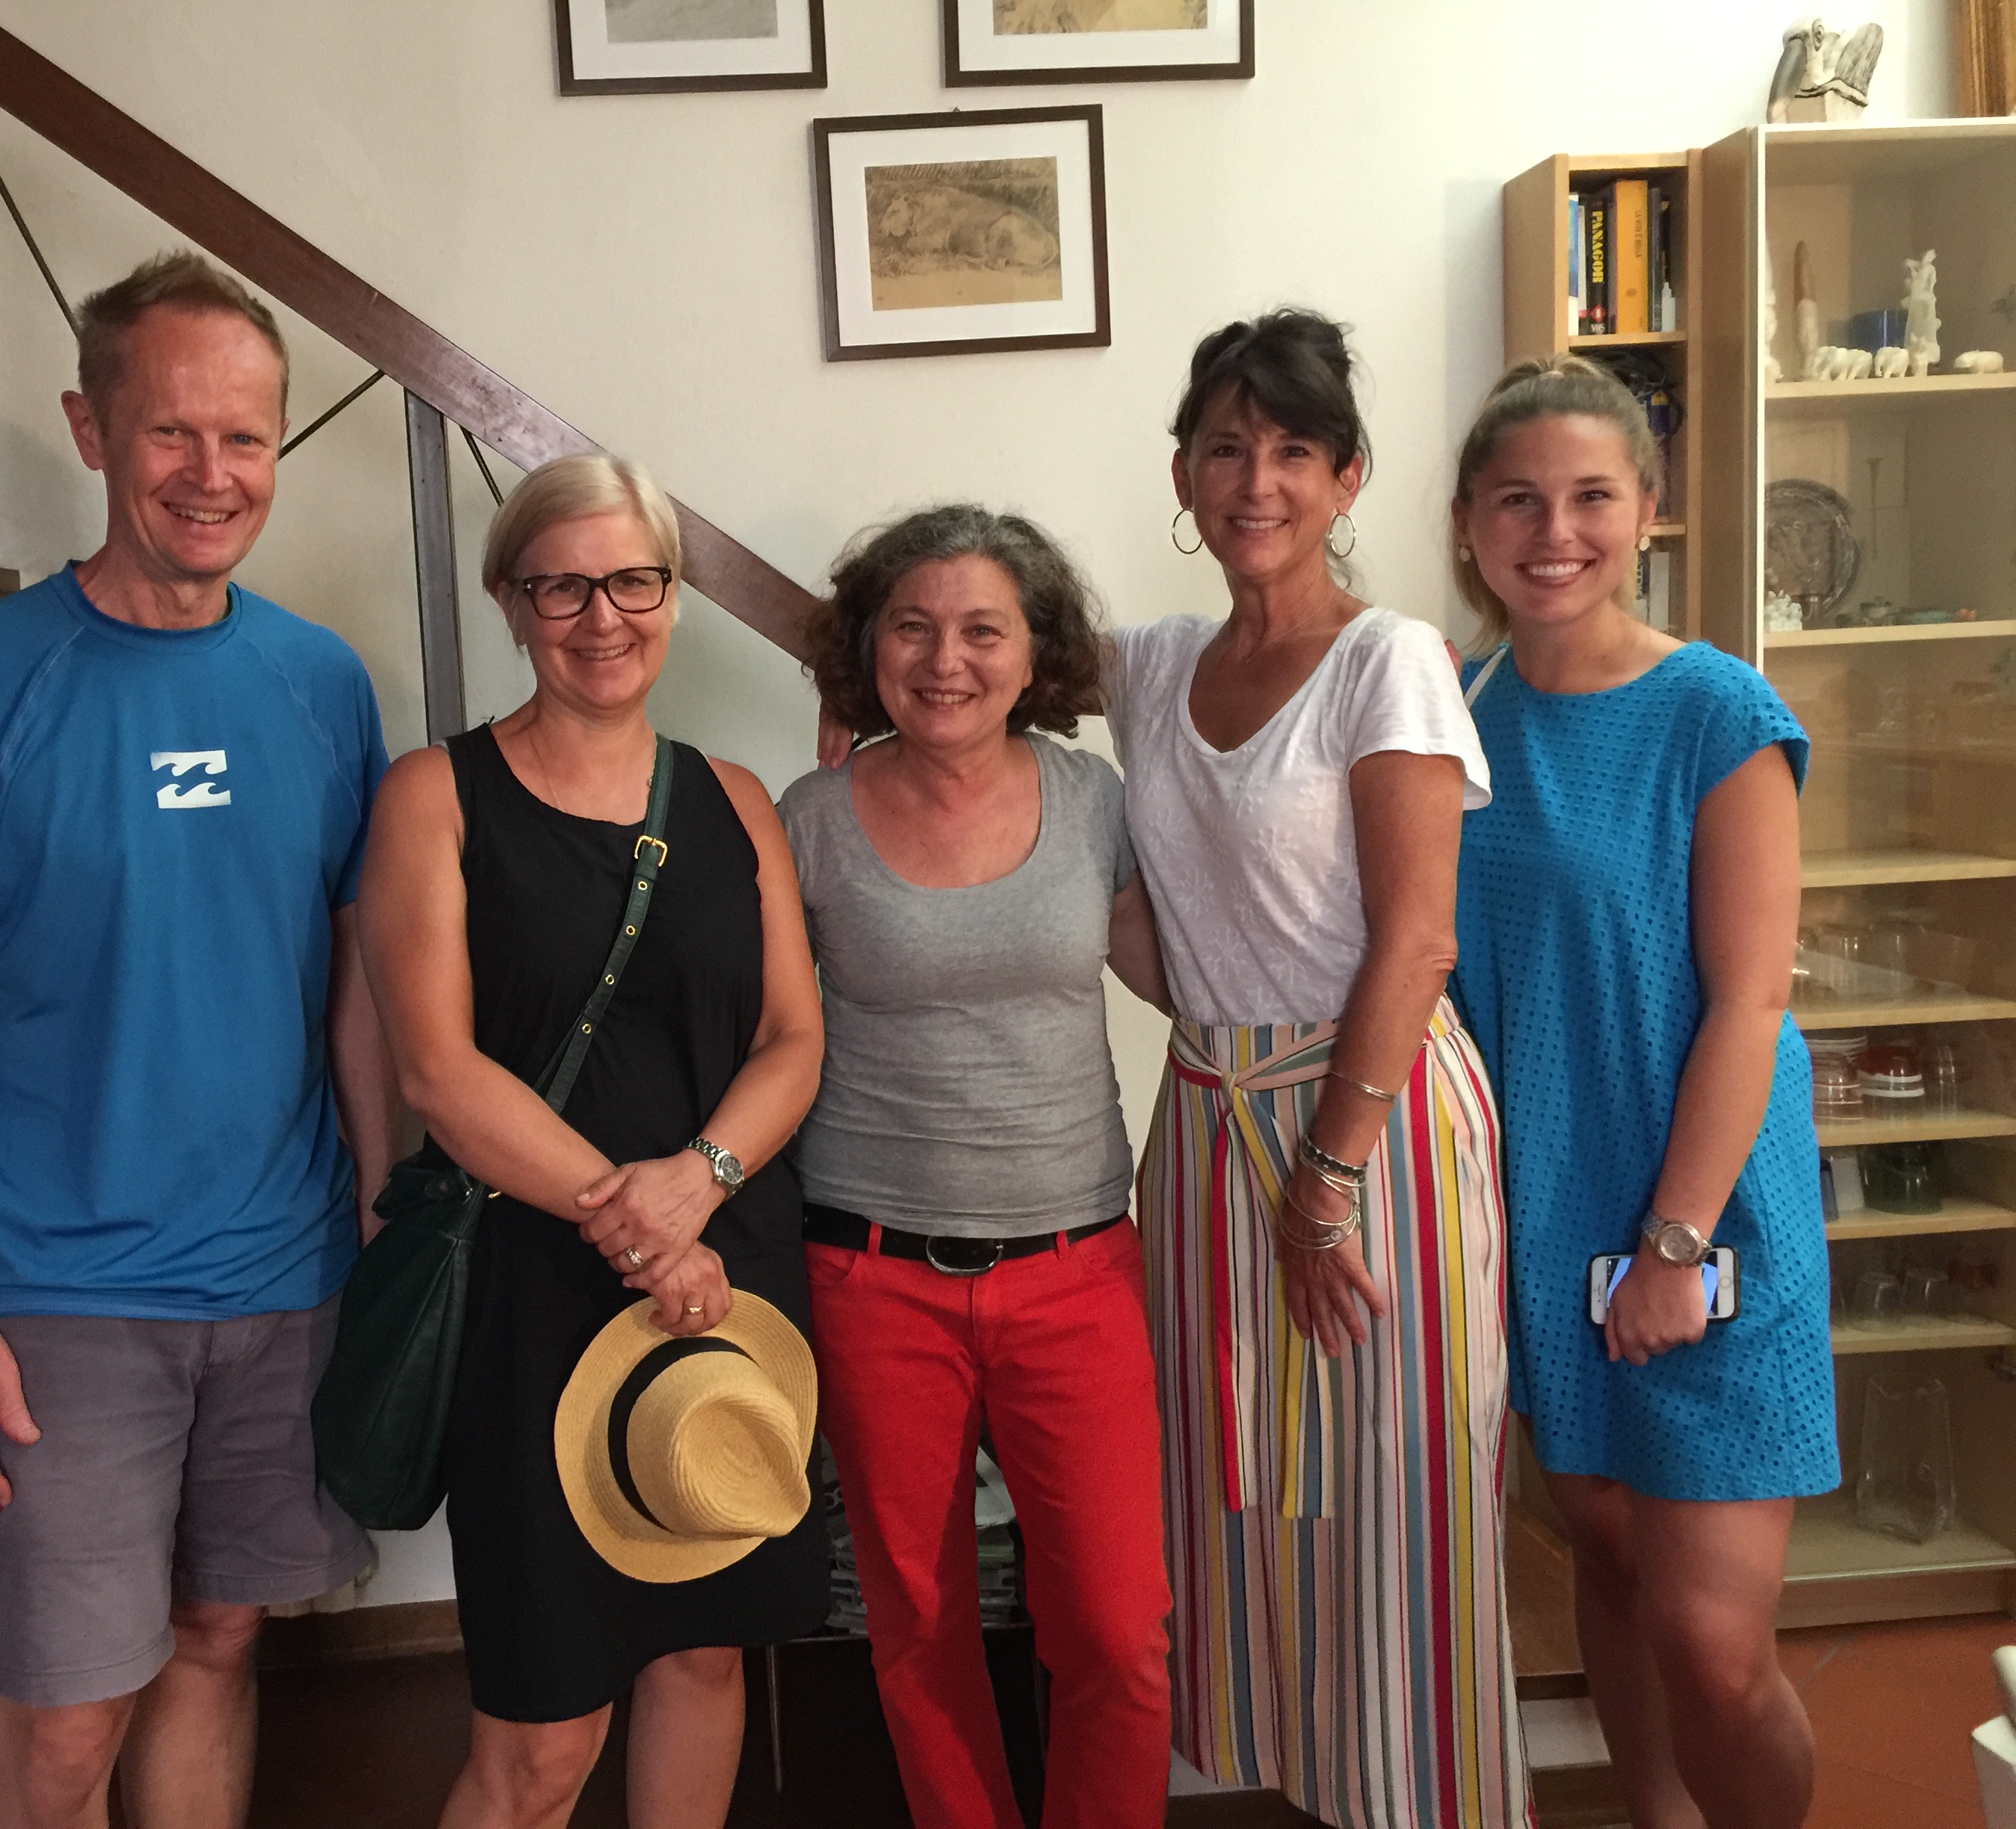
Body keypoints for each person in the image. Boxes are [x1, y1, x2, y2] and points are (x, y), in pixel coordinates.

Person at [0, 250, 391, 1829]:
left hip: (283, 1279)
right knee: (63, 1728)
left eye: (246, 438)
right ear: (92, 431)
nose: (212, 474)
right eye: (172, 432)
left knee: (219, 1641)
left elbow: (351, 985)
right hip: (55, 1300)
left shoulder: (321, 682)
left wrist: (376, 1221)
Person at [360, 454, 829, 1829]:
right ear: (512, 603)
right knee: (541, 1737)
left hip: (729, 1280)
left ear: (672, 596)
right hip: (537, 1293)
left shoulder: (737, 800)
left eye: (633, 580)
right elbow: (438, 1071)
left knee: (703, 1658)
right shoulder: (434, 797)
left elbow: (792, 1039)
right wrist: (640, 1227)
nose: (602, 616)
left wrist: (700, 1184)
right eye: (561, 586)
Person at [1112, 309, 1525, 1828]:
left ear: (1348, 478)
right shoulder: (1150, 665)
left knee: (1402, 1500)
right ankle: (1314, 1793)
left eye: (1294, 450)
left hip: (1374, 1123)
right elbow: (956, 658)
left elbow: (1417, 939)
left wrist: (1325, 1182)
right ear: (1183, 471)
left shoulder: (1387, 659)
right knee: (1248, 1501)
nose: (1257, 482)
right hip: (1208, 1125)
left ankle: (1431, 1801)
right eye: (1227, 448)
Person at [1447, 356, 1834, 1829]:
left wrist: (1676, 1240)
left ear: (1647, 511)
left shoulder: (1715, 710)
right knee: (1606, 1563)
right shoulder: (1445, 711)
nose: (1554, 532)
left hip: (1706, 1210)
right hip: (1541, 1211)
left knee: (1715, 1644)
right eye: (1517, 501)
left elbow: (1752, 1001)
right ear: (1468, 523)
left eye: (1590, 497)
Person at [783, 504, 1172, 1829]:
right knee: (917, 1621)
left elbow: (1183, 977)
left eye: (982, 631)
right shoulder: (809, 819)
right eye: (913, 627)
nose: (945, 660)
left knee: (1116, 1628)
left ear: (1035, 652)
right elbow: (760, 1027)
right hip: (871, 1272)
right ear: (869, 647)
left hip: (1077, 1267)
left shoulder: (1095, 800)